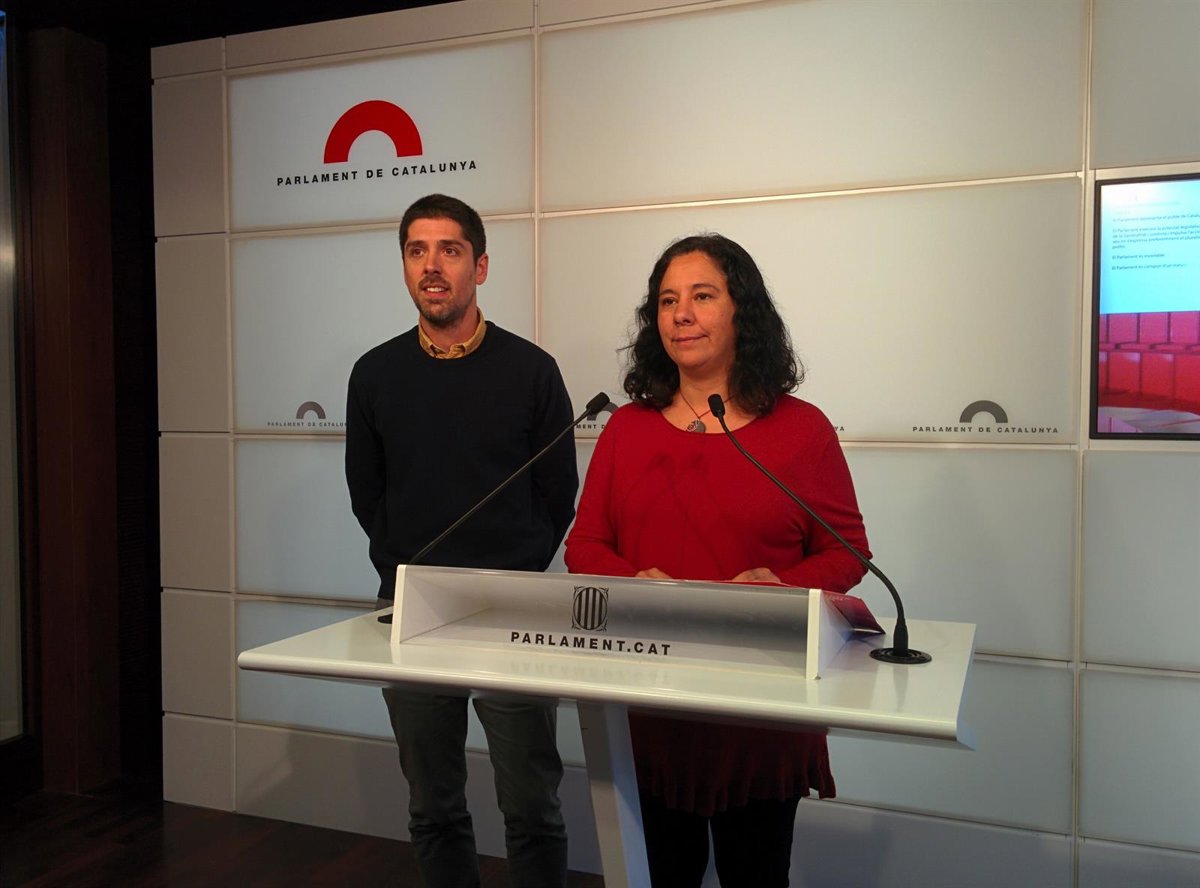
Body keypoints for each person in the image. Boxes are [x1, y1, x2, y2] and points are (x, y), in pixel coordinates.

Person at [565, 233, 871, 887]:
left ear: (742, 311)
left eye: (702, 296)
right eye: (667, 300)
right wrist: (633, 581)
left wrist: (781, 584)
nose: (681, 314)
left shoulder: (802, 429)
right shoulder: (626, 429)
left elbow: (847, 552)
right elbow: (584, 546)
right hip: (649, 704)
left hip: (760, 708)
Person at [345, 194, 578, 888]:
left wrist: (509, 571)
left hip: (513, 609)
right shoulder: (375, 373)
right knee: (433, 807)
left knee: (532, 807)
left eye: (449, 250)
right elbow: (367, 494)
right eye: (416, 251)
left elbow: (557, 497)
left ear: (479, 266)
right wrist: (408, 568)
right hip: (412, 607)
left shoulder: (532, 371)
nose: (432, 266)